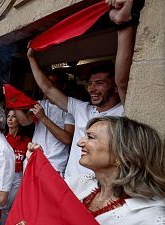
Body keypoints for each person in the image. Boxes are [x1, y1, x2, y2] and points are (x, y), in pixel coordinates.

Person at [26, 0, 135, 178]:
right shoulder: (81, 109)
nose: (92, 88)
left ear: (115, 88)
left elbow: (122, 80)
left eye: (100, 83)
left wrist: (123, 25)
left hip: (99, 194)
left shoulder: (124, 111)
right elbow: (47, 88)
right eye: (90, 83)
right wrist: (31, 58)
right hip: (70, 189)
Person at [65, 116, 165, 224]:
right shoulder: (79, 183)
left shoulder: (150, 217)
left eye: (90, 137)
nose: (79, 143)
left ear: (123, 153)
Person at [15, 72, 75, 177]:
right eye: (45, 83)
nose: (47, 86)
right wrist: (14, 103)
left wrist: (43, 117)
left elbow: (67, 139)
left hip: (54, 164)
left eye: (52, 83)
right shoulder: (40, 104)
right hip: (33, 158)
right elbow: (24, 122)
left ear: (63, 85)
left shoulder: (69, 108)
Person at [0, 110, 31, 224]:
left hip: (17, 177)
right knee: (0, 204)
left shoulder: (26, 141)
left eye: (14, 116)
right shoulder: (1, 138)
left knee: (8, 207)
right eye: (8, 116)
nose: (10, 119)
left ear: (19, 120)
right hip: (2, 175)